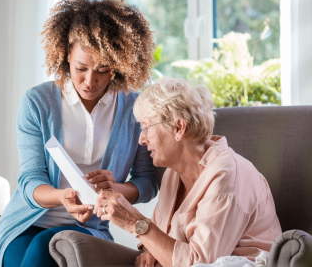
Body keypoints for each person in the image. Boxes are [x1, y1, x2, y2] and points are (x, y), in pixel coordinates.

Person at [0, 0, 159, 267]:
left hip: (88, 227)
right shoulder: (37, 102)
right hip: (27, 222)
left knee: (47, 248)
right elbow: (30, 180)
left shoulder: (134, 108)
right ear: (67, 55)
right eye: (81, 68)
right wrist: (62, 198)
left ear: (118, 64)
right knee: (24, 256)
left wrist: (114, 188)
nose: (90, 81)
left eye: (102, 70)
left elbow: (147, 183)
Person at [95, 78, 282, 267]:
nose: (142, 140)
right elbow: (159, 238)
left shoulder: (227, 176)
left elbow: (200, 264)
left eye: (146, 128)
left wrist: (133, 222)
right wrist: (150, 252)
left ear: (178, 128)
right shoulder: (172, 174)